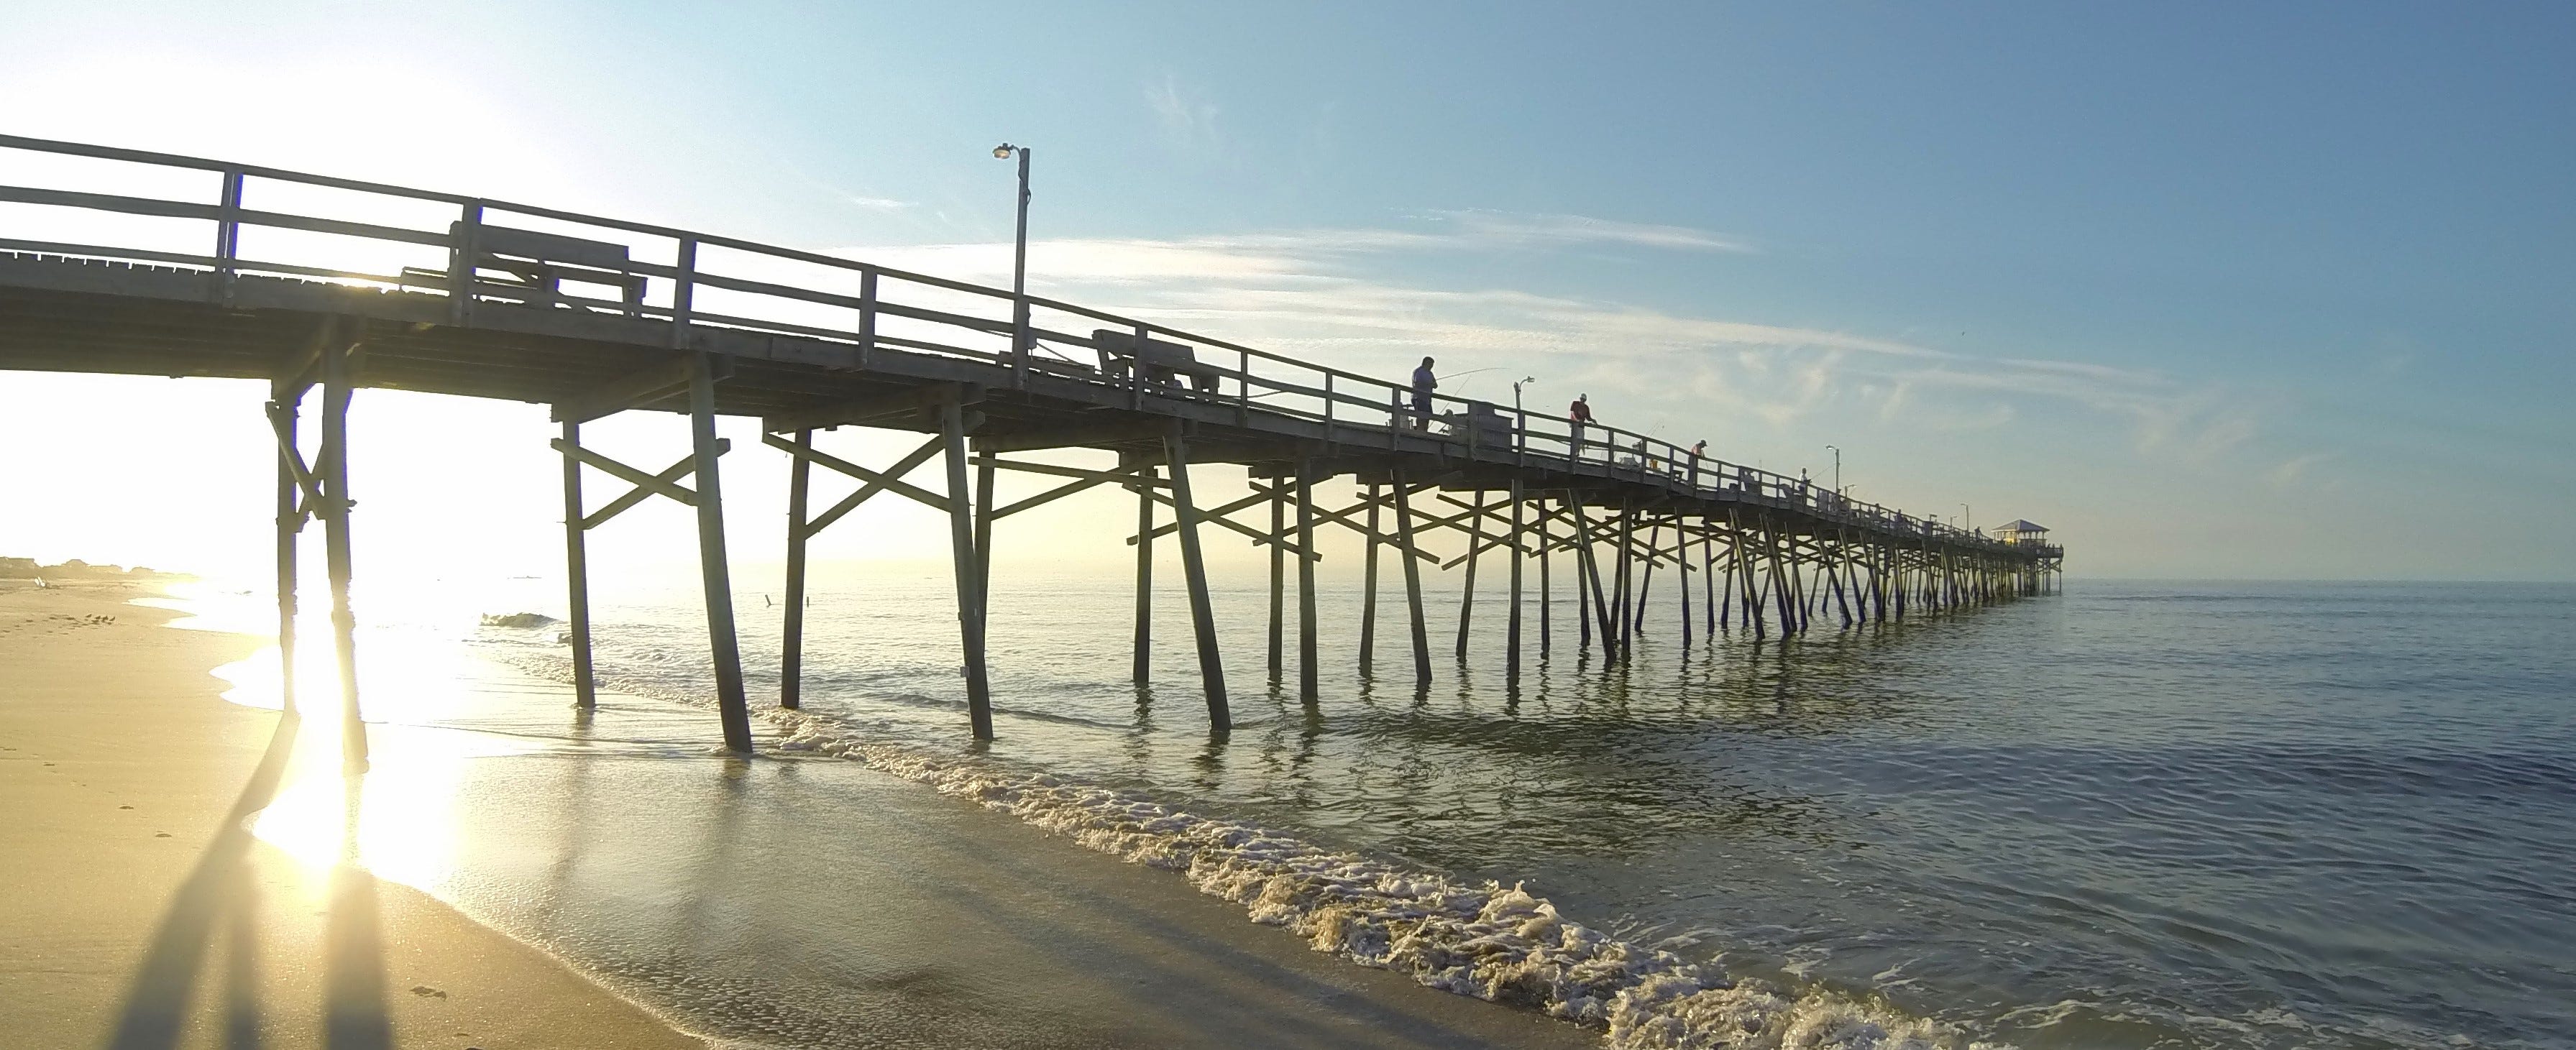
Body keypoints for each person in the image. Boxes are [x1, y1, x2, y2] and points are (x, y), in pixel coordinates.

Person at [1410, 356, 1437, 430]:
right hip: (1419, 398)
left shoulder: (1430, 373)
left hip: (1427, 399)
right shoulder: (1418, 371)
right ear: (1426, 363)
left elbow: (1435, 385)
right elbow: (1417, 382)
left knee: (1428, 416)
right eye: (1430, 364)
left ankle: (1425, 431)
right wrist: (1429, 384)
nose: (1431, 366)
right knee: (1421, 416)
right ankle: (1420, 431)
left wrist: (1434, 384)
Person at [1568, 393, 1593, 459]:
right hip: (1574, 424)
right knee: (1574, 439)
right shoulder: (1575, 404)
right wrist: (1577, 420)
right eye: (1581, 399)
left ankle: (1577, 455)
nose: (1582, 401)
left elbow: (1588, 417)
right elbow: (1572, 413)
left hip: (1581, 425)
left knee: (1580, 440)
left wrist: (1593, 420)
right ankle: (1573, 455)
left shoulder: (1586, 407)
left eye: (1584, 400)